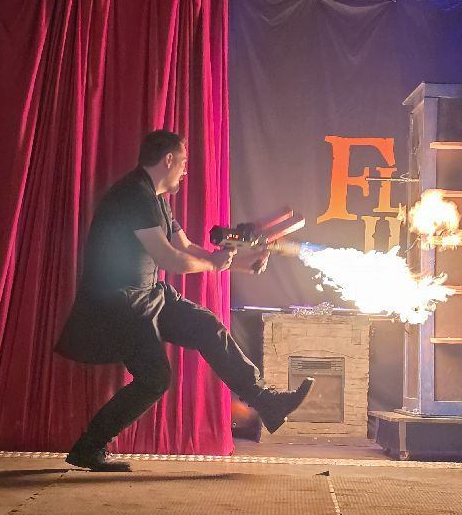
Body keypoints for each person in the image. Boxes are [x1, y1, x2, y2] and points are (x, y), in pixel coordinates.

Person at [55, 130, 314, 472]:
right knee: (155, 378)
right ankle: (89, 448)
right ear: (168, 160)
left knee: (206, 326)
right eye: (184, 162)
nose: (185, 170)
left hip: (150, 295)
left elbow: (187, 247)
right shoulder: (134, 195)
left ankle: (266, 402)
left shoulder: (157, 197)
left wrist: (237, 263)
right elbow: (170, 259)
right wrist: (215, 264)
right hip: (119, 303)